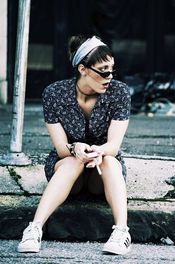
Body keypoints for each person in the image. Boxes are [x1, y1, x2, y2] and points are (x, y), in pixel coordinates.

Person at [18, 35, 132, 255]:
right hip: (69, 169)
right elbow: (61, 147)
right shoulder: (54, 93)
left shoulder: (119, 92)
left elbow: (114, 146)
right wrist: (75, 148)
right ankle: (34, 229)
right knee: (72, 161)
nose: (109, 76)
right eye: (103, 70)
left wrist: (98, 151)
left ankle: (121, 232)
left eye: (112, 69)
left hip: (102, 170)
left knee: (109, 161)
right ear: (83, 69)